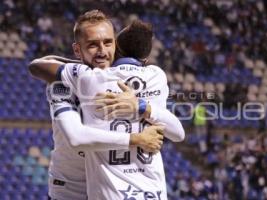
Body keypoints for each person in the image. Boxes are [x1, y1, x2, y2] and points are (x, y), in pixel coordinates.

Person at [29, 10, 184, 200]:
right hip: (72, 189)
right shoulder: (62, 85)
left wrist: (141, 106)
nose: (102, 51)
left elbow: (177, 131)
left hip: (112, 187)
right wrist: (136, 138)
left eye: (108, 43)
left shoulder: (128, 83)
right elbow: (76, 137)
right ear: (78, 50)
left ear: (116, 46)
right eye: (93, 45)